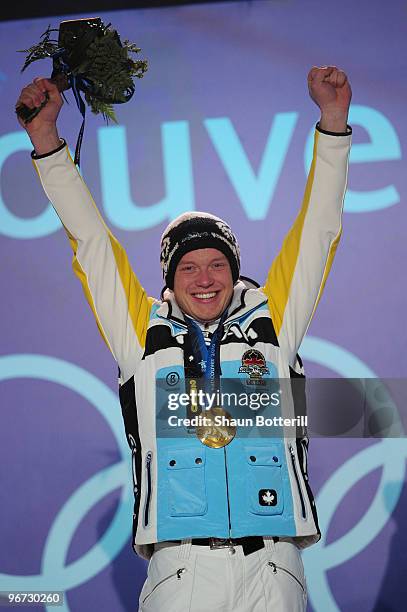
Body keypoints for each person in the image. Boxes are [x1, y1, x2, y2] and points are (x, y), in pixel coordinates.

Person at [17, 65, 352, 611]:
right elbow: (92, 243)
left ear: (234, 269)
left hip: (273, 566)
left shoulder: (273, 322)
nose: (204, 279)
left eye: (216, 264)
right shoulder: (140, 333)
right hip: (181, 571)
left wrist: (334, 122)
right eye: (188, 267)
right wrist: (47, 143)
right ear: (170, 279)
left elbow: (319, 231)